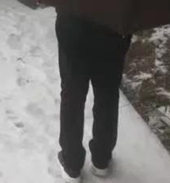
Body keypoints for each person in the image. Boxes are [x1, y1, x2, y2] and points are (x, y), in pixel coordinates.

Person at [55, 12, 132, 182]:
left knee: (72, 95)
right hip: (113, 27)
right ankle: (101, 159)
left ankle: (71, 163)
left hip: (74, 24)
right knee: (107, 93)